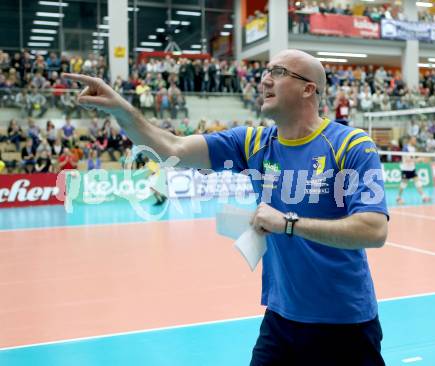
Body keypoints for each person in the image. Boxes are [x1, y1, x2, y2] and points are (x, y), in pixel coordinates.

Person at [64, 49, 388, 365]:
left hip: (344, 324)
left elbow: (374, 230)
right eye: (264, 71)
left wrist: (288, 223)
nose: (264, 80)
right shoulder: (252, 143)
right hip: (281, 318)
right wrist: (121, 110)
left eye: (278, 72)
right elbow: (171, 148)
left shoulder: (350, 144)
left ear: (308, 89)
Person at [396, 136, 431, 204]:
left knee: (418, 183)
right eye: (414, 140)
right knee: (403, 184)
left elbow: (413, 158)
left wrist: (420, 160)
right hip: (406, 169)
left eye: (415, 140)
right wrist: (419, 159)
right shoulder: (405, 148)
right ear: (410, 140)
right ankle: (398, 197)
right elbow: (407, 160)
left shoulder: (414, 148)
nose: (415, 141)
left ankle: (423, 197)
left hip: (412, 169)